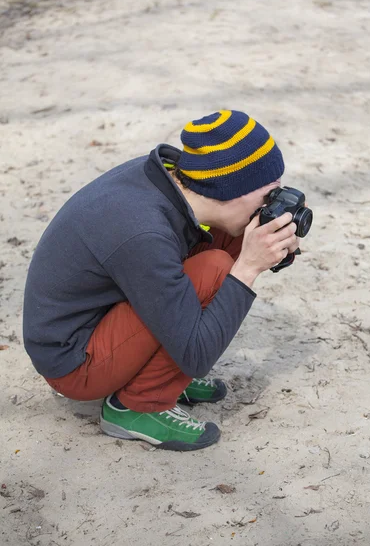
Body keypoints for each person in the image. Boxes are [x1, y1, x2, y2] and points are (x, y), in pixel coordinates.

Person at [23, 110, 300, 452]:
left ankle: (150, 373)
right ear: (233, 189)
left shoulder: (171, 182)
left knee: (234, 238)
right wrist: (248, 268)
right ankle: (138, 405)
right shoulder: (143, 231)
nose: (274, 203)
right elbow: (197, 356)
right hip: (75, 360)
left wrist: (274, 246)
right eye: (269, 193)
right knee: (218, 267)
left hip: (106, 315)